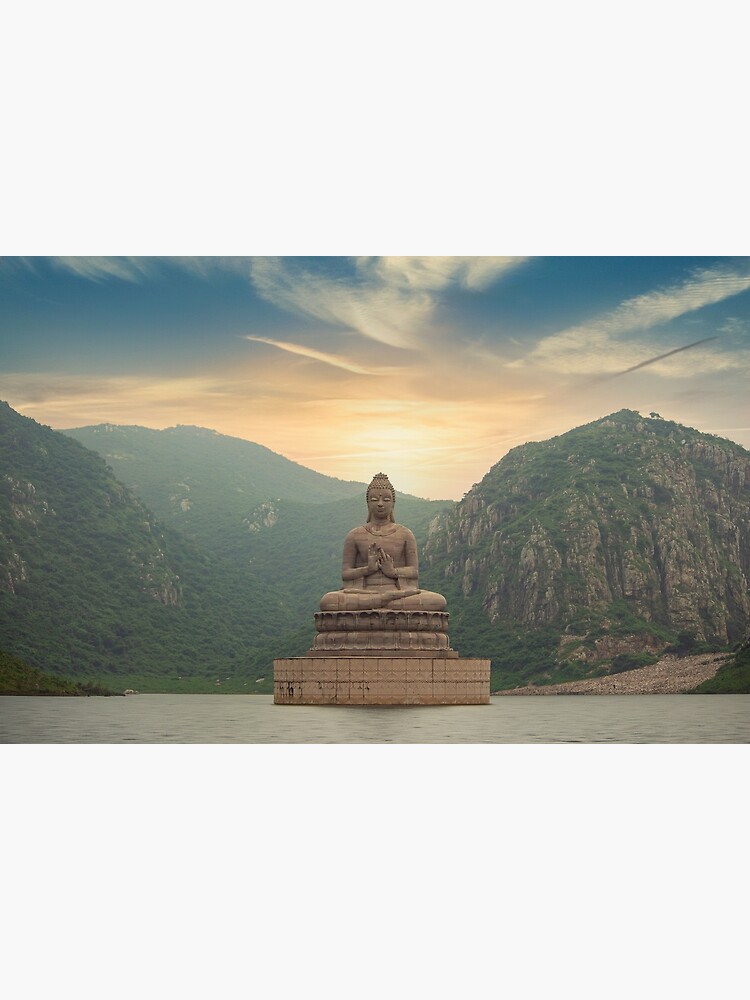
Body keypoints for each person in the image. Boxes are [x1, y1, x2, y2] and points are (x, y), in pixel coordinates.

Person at [319, 473, 447, 612]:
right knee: (329, 601)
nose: (380, 504)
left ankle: (378, 603)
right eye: (374, 499)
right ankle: (383, 602)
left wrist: (393, 571)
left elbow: (414, 571)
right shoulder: (355, 535)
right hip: (364, 593)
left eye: (386, 499)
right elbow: (346, 573)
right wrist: (368, 569)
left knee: (437, 601)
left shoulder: (405, 534)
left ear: (393, 503)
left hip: (398, 594)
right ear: (368, 503)